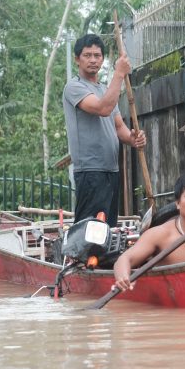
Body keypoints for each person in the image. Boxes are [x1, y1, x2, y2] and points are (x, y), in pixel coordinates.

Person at [62, 33, 146, 227]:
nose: (93, 60)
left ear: (103, 59)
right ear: (77, 59)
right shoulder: (73, 87)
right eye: (87, 55)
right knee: (89, 230)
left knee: (108, 228)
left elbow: (118, 127)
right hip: (90, 170)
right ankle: (83, 258)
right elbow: (103, 108)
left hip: (111, 169)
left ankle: (106, 258)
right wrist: (119, 74)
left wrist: (134, 138)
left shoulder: (105, 89)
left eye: (97, 55)